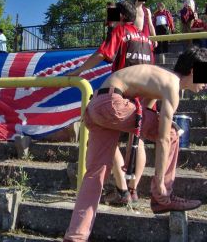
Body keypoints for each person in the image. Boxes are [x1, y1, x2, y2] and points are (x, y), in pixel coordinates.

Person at [63, 46, 206, 242]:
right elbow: (163, 138)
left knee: (95, 175)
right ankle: (162, 196)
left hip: (96, 105)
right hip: (113, 104)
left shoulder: (159, 77)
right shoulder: (172, 86)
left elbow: (144, 118)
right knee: (172, 133)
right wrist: (159, 181)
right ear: (193, 70)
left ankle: (75, 236)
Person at [67, 1, 155, 206]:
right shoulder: (146, 38)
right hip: (142, 94)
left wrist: (78, 72)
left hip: (121, 94)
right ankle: (132, 190)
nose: (110, 18)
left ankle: (122, 189)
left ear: (122, 16)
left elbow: (102, 53)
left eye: (113, 14)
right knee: (138, 139)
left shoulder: (121, 31)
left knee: (108, 136)